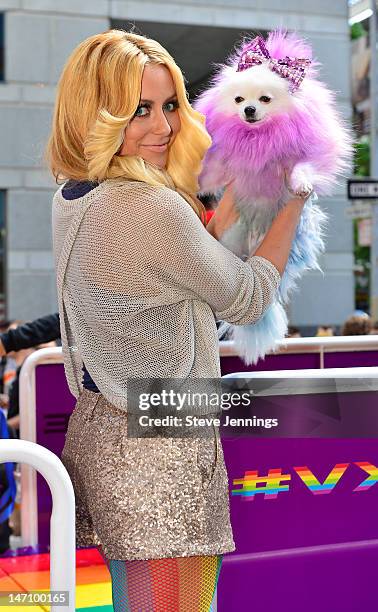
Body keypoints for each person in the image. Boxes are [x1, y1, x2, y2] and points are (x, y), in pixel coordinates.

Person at [46, 29, 312, 611]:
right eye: (139, 109)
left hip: (110, 435)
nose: (163, 127)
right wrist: (295, 197)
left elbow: (191, 265)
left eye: (170, 105)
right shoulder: (148, 205)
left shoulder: (74, 193)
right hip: (159, 449)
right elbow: (244, 298)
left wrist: (242, 186)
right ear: (96, 112)